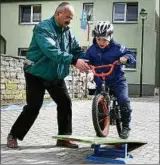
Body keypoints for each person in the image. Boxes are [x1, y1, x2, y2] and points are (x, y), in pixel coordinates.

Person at [7, 2, 90, 149]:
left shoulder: (68, 32)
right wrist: (74, 60)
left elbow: (77, 50)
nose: (70, 20)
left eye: (71, 18)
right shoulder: (43, 28)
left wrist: (90, 59)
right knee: (34, 106)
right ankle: (14, 135)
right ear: (58, 14)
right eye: (68, 17)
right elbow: (51, 51)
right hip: (36, 73)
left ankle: (63, 139)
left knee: (65, 103)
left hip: (55, 75)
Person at [84, 21, 136, 139]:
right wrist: (84, 64)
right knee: (99, 108)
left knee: (123, 100)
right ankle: (100, 132)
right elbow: (85, 59)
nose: (101, 42)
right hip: (100, 80)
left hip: (118, 80)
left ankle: (126, 127)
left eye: (104, 39)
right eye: (99, 39)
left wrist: (125, 58)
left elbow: (131, 55)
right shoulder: (92, 50)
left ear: (110, 36)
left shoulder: (118, 48)